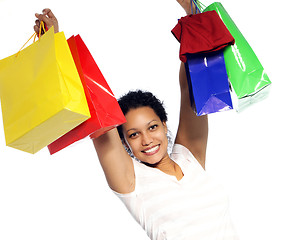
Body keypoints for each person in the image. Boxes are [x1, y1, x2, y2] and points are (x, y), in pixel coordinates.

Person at [34, 1, 239, 239]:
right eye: (133, 134)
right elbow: (99, 120)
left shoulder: (189, 157)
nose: (147, 140)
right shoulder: (132, 182)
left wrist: (192, 12)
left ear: (164, 125)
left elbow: (189, 86)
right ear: (124, 142)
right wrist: (55, 45)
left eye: (152, 127)